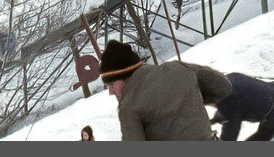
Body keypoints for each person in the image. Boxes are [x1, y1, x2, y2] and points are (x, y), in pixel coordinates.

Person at [99, 38, 231, 140]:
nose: (110, 92)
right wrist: (192, 95)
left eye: (111, 85)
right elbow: (223, 86)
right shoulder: (178, 68)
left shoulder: (128, 105)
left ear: (123, 77)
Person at [212, 72, 274, 141]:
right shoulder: (229, 79)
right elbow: (230, 106)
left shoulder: (228, 102)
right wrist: (214, 120)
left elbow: (230, 133)